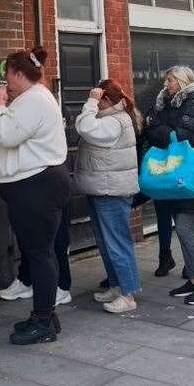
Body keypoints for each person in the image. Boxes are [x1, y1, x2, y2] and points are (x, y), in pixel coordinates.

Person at [0, 46, 70, 345]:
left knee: (39, 254)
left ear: (19, 74)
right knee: (39, 252)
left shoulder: (33, 100)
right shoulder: (34, 98)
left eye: (8, 75)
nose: (5, 83)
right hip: (33, 187)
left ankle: (44, 321)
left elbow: (7, 135)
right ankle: (44, 315)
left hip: (36, 188)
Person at [75, 79, 143, 314]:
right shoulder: (111, 119)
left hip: (111, 191)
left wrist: (90, 103)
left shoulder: (115, 121)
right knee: (106, 244)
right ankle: (117, 286)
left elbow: (84, 127)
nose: (93, 103)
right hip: (102, 188)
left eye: (97, 99)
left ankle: (128, 294)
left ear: (105, 100)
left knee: (117, 244)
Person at [143, 66, 194, 279]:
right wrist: (158, 130)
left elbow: (183, 136)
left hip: (184, 171)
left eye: (170, 80)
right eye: (166, 79)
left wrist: (158, 129)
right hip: (167, 169)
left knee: (185, 228)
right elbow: (150, 129)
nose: (165, 84)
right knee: (172, 220)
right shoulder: (163, 103)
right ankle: (171, 260)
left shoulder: (193, 103)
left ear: (181, 81)